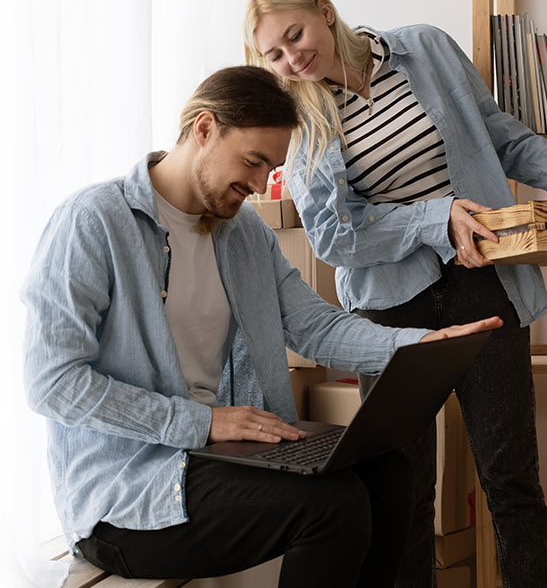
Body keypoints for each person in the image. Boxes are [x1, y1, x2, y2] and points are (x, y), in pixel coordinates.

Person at [21, 65, 500, 588]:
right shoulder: (92, 221)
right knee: (332, 507)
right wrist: (202, 423)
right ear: (204, 129)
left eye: (270, 168)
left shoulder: (243, 230)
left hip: (217, 459)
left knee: (390, 474)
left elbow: (315, 327)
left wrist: (421, 345)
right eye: (252, 162)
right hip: (127, 492)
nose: (257, 185)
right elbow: (53, 382)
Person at [243, 0, 547, 587]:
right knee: (404, 488)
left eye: (294, 36)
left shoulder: (424, 47)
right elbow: (331, 237)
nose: (291, 59)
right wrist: (436, 217)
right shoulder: (301, 117)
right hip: (387, 310)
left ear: (324, 11)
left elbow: (507, 139)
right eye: (273, 54)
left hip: (485, 284)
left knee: (513, 480)